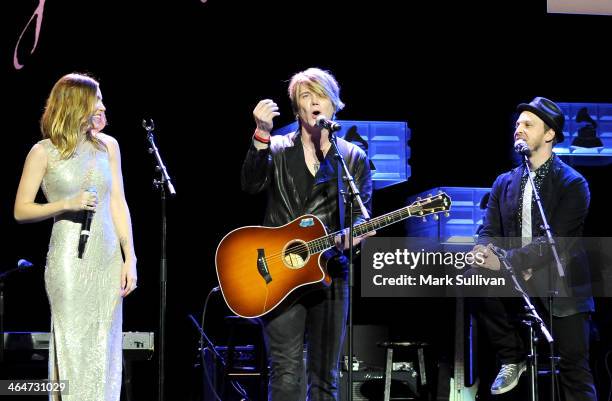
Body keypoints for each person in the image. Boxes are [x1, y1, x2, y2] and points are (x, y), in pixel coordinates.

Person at [241, 67, 373, 400]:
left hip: (330, 274)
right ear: (297, 109)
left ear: (334, 105)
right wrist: (260, 134)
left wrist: (353, 238)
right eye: (305, 96)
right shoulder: (278, 147)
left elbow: (361, 218)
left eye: (320, 95)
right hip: (280, 273)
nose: (314, 102)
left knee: (325, 378)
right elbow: (251, 184)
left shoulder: (353, 158)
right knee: (286, 375)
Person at [14, 73, 137, 401]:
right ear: (77, 104)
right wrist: (66, 204)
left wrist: (130, 258)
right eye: (97, 99)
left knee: (104, 350)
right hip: (69, 261)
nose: (102, 105)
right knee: (73, 349)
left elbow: (118, 202)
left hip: (107, 258)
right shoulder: (43, 152)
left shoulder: (109, 146)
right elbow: (21, 209)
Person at [470, 97, 597, 400]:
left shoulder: (573, 183)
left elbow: (557, 242)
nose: (519, 129)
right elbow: (489, 230)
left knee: (574, 371)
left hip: (560, 286)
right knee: (473, 275)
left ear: (549, 134)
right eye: (517, 124)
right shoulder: (503, 182)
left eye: (528, 124)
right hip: (517, 282)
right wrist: (482, 251)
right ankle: (510, 357)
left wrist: (506, 262)